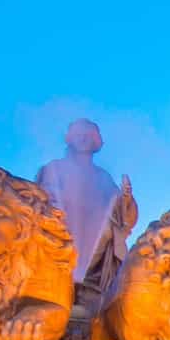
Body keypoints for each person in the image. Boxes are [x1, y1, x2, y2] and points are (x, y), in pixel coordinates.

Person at [36, 118, 137, 300]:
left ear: (96, 142)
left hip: (94, 234)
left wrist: (126, 198)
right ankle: (64, 284)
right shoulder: (54, 168)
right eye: (78, 135)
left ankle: (85, 287)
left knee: (104, 225)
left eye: (88, 136)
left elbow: (120, 212)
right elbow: (40, 198)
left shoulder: (103, 176)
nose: (83, 139)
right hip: (60, 228)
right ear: (70, 139)